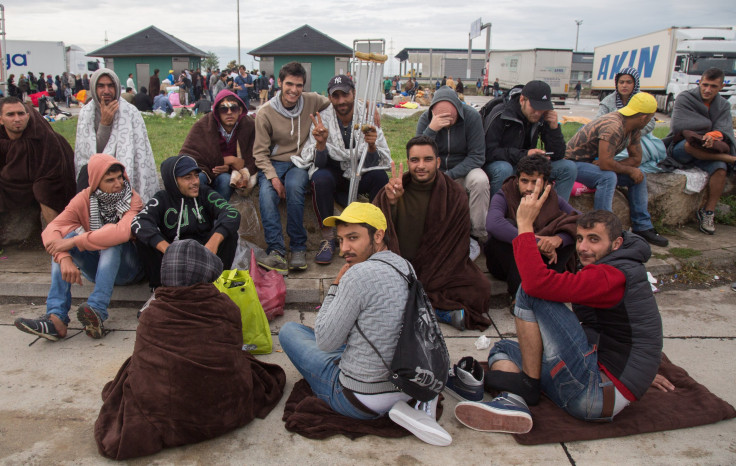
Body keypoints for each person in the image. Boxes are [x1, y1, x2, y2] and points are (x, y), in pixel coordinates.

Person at [455, 200, 665, 434]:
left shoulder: (613, 275)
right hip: (596, 383)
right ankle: (513, 402)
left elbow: (536, 284)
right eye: (580, 238)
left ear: (617, 244)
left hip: (594, 394)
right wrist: (637, 372)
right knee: (503, 348)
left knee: (529, 290)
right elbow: (633, 333)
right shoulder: (617, 263)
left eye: (594, 239)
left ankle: (528, 386)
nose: (583, 247)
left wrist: (524, 225)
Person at [94, 238, 286, 460]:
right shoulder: (226, 308)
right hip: (226, 410)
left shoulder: (151, 316)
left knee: (135, 365)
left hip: (167, 412)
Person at [278, 202, 451, 446]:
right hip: (407, 386)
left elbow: (326, 342)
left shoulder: (356, 275)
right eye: (340, 240)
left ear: (378, 235)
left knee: (290, 331)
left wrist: (336, 287)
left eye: (353, 238)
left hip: (358, 400)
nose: (343, 250)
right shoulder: (405, 266)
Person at [14, 154, 144, 341]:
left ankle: (97, 311)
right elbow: (52, 229)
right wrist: (64, 256)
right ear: (95, 182)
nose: (118, 183)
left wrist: (74, 242)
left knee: (108, 239)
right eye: (110, 180)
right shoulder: (84, 198)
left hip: (129, 269)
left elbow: (121, 233)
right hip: (97, 268)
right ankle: (56, 318)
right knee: (64, 237)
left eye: (120, 177)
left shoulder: (132, 199)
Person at [375, 136, 492, 331]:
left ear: (437, 162)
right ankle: (437, 311)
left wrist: (432, 273)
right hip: (400, 263)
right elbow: (375, 232)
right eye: (415, 160)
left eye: (427, 159)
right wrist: (392, 204)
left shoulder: (454, 194)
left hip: (438, 266)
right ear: (408, 162)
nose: (421, 166)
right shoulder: (393, 189)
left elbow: (457, 246)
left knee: (481, 289)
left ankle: (413, 305)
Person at [296, 74, 390, 264]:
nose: (341, 101)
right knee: (320, 177)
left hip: (361, 173)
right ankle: (328, 239)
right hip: (336, 175)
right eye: (335, 96)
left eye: (345, 95)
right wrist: (321, 144)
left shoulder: (367, 116)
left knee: (380, 177)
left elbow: (376, 162)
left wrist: (371, 146)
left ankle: (376, 236)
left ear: (354, 94)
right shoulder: (324, 118)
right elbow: (318, 163)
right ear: (330, 98)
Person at [253, 61, 330, 273]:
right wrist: (273, 177)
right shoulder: (265, 113)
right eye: (289, 84)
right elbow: (260, 152)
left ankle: (298, 248)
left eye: (299, 85)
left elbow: (339, 102)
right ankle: (276, 251)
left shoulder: (311, 100)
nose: (294, 90)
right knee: (267, 195)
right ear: (279, 83)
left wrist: (367, 110)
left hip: (299, 161)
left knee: (296, 187)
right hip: (274, 162)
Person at [565, 92, 669, 247]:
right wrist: (619, 167)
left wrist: (628, 170)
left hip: (592, 165)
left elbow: (636, 159)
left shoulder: (633, 128)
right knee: (607, 177)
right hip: (573, 165)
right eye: (651, 117)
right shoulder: (613, 125)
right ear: (644, 118)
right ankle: (604, 228)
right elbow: (606, 165)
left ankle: (642, 226)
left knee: (638, 176)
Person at [131, 154, 241, 289]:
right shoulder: (161, 199)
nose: (195, 181)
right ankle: (160, 288)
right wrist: (168, 249)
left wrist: (213, 242)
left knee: (229, 233)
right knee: (143, 239)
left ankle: (217, 284)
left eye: (196, 176)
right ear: (173, 181)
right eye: (187, 178)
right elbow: (139, 222)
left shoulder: (205, 193)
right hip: (172, 258)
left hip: (203, 253)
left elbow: (231, 213)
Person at [485, 155, 578, 300]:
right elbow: (493, 223)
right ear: (517, 180)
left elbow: (581, 220)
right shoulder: (504, 194)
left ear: (546, 183)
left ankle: (548, 288)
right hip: (507, 264)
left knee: (567, 229)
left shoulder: (552, 198)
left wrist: (559, 239)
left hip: (542, 261)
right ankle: (519, 296)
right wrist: (536, 243)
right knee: (508, 226)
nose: (529, 188)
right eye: (524, 181)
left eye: (535, 182)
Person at [415, 85, 490, 256]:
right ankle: (426, 236)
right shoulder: (426, 120)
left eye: (450, 117)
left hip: (464, 170)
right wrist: (431, 130)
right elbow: (416, 153)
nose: (446, 121)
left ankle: (477, 234)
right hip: (435, 172)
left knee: (480, 181)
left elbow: (477, 156)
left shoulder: (472, 117)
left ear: (458, 109)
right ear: (433, 111)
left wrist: (450, 175)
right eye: (441, 117)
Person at [661, 67, 736, 235]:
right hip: (683, 146)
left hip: (710, 149)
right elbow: (679, 125)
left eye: (713, 87)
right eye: (705, 85)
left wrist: (713, 135)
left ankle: (708, 212)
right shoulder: (685, 98)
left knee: (720, 169)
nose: (708, 90)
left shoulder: (723, 105)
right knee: (690, 146)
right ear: (699, 83)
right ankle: (730, 158)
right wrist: (707, 129)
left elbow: (724, 130)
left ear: (721, 87)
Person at [75, 68, 159, 202]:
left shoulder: (131, 112)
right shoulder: (86, 114)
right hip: (98, 173)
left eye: (110, 86)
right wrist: (104, 124)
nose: (106, 91)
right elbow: (90, 155)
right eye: (101, 86)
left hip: (123, 170)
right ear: (94, 88)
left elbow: (140, 155)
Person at [484, 80, 577, 200]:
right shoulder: (501, 114)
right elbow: (488, 151)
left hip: (527, 164)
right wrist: (525, 155)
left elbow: (558, 155)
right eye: (534, 107)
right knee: (503, 169)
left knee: (568, 168)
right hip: (501, 163)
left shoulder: (542, 116)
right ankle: (496, 214)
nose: (538, 113)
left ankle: (556, 214)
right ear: (522, 100)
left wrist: (554, 128)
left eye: (542, 108)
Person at [0, 97, 76, 224]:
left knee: (45, 190)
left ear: (28, 115)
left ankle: (56, 234)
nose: (17, 119)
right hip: (16, 175)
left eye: (20, 114)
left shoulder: (42, 135)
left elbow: (52, 169)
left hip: (48, 170)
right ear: (1, 119)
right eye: (10, 115)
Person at [179, 90, 256, 200]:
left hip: (227, 173)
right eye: (224, 109)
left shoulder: (248, 126)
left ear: (240, 110)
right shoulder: (203, 125)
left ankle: (219, 215)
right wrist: (228, 160)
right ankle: (196, 214)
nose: (229, 112)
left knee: (225, 181)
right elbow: (188, 154)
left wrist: (230, 167)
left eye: (233, 108)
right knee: (197, 180)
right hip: (203, 169)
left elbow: (254, 155)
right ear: (217, 112)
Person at [596, 68, 665, 173]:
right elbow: (598, 122)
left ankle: (616, 166)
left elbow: (650, 123)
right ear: (617, 84)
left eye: (629, 82)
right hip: (613, 139)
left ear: (635, 84)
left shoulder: (644, 100)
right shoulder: (608, 101)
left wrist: (630, 133)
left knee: (646, 152)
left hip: (639, 138)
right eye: (621, 82)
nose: (624, 85)